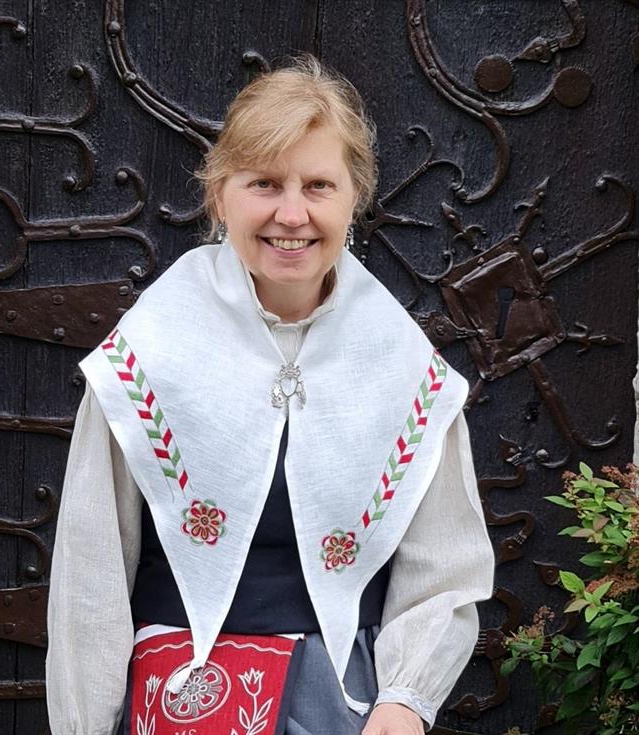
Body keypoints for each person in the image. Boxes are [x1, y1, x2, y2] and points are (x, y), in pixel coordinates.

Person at [46, 55, 495, 735]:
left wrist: (405, 700)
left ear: (352, 198)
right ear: (219, 195)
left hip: (342, 701)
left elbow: (445, 566)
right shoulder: (151, 349)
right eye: (264, 183)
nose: (292, 213)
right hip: (180, 697)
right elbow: (91, 568)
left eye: (318, 185)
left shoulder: (401, 364)